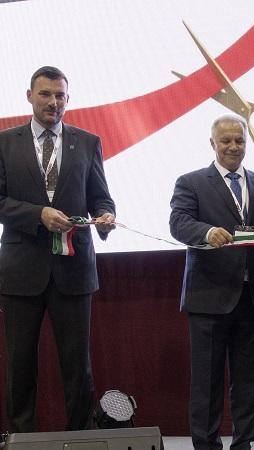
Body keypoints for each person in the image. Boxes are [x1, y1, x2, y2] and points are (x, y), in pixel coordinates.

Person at [0, 66, 116, 432]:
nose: (53, 102)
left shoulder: (87, 142)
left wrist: (106, 215)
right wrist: (38, 214)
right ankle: (20, 438)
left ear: (68, 98)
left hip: (74, 269)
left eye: (60, 95)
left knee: (77, 366)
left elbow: (101, 197)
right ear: (29, 96)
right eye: (46, 94)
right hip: (20, 271)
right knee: (20, 365)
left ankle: (81, 438)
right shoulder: (3, 143)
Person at [169, 114, 254, 450]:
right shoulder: (190, 182)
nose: (233, 147)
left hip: (252, 297)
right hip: (208, 297)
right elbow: (178, 223)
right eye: (226, 141)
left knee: (248, 380)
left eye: (239, 141)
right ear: (212, 144)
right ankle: (205, 445)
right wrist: (205, 232)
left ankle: (243, 443)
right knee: (206, 381)